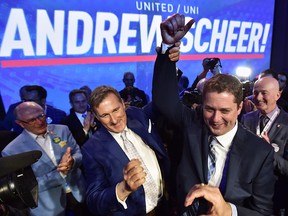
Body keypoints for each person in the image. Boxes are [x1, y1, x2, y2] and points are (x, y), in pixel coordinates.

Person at [152, 13, 275, 215]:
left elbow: (263, 212)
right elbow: (164, 101)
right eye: (210, 109)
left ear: (240, 107)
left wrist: (229, 211)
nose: (215, 119)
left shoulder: (260, 152)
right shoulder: (193, 123)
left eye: (225, 111)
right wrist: (166, 49)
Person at [81, 84, 175, 215]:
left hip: (166, 205)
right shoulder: (91, 149)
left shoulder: (137, 115)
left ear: (123, 104)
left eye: (115, 110)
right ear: (96, 116)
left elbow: (162, 98)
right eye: (104, 115)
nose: (114, 120)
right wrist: (123, 189)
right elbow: (94, 201)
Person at [1, 102, 87, 216]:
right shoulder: (12, 150)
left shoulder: (62, 130)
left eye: (41, 115)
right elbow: (25, 187)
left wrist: (73, 162)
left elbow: (78, 153)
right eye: (32, 120)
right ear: (20, 123)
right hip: (49, 206)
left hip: (79, 193)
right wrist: (60, 174)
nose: (39, 121)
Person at [241, 76, 288, 215]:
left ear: (278, 95)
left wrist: (268, 152)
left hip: (275, 198)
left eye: (264, 93)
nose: (258, 97)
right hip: (247, 196)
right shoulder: (247, 119)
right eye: (255, 93)